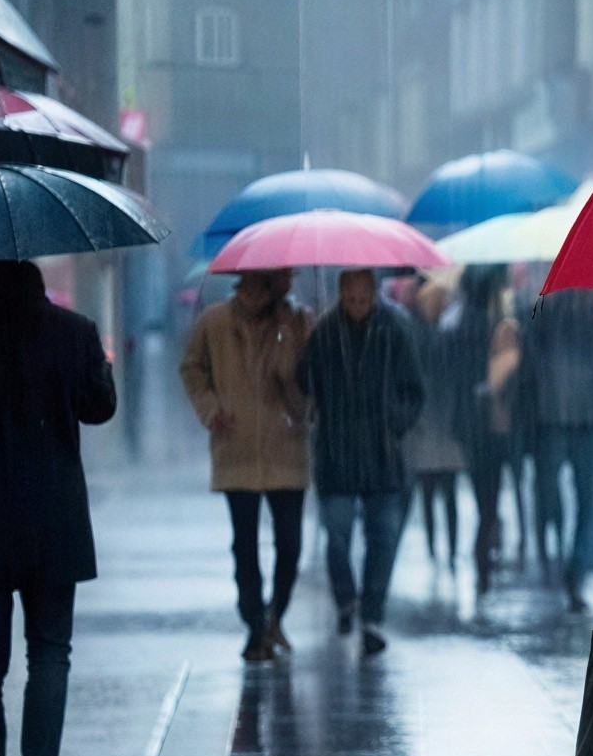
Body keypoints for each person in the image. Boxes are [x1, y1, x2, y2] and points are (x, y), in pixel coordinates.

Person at [0, 263, 116, 756]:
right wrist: (95, 362)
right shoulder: (72, 330)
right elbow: (100, 408)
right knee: (49, 655)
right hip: (53, 520)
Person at [178, 268, 312, 660]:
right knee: (245, 545)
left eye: (264, 287)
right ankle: (254, 623)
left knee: (289, 544)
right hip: (235, 447)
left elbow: (300, 383)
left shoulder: (297, 323)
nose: (256, 295)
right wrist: (211, 409)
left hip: (286, 446)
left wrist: (288, 336)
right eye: (250, 286)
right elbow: (192, 369)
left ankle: (275, 615)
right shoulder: (214, 322)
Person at [300, 268, 424, 654]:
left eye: (363, 299)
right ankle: (346, 600)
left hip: (382, 455)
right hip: (336, 453)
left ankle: (371, 614)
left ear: (373, 294)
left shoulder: (395, 330)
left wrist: (395, 424)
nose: (357, 307)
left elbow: (415, 389)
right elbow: (305, 384)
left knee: (382, 538)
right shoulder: (323, 333)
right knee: (336, 536)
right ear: (340, 296)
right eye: (350, 300)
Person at [519, 287, 593, 610]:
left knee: (586, 501)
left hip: (576, 423)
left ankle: (573, 566)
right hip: (564, 422)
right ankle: (571, 565)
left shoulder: (549, 310)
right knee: (583, 501)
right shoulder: (549, 311)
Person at [444, 267, 515, 595]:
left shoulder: (457, 324)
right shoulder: (491, 325)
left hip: (468, 424)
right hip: (490, 423)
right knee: (490, 496)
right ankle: (481, 554)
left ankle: (483, 551)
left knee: (482, 493)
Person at [405, 282, 473, 581]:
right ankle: (440, 551)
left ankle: (446, 551)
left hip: (441, 427)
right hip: (433, 425)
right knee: (437, 494)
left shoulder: (438, 335)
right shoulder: (425, 336)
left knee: (440, 494)